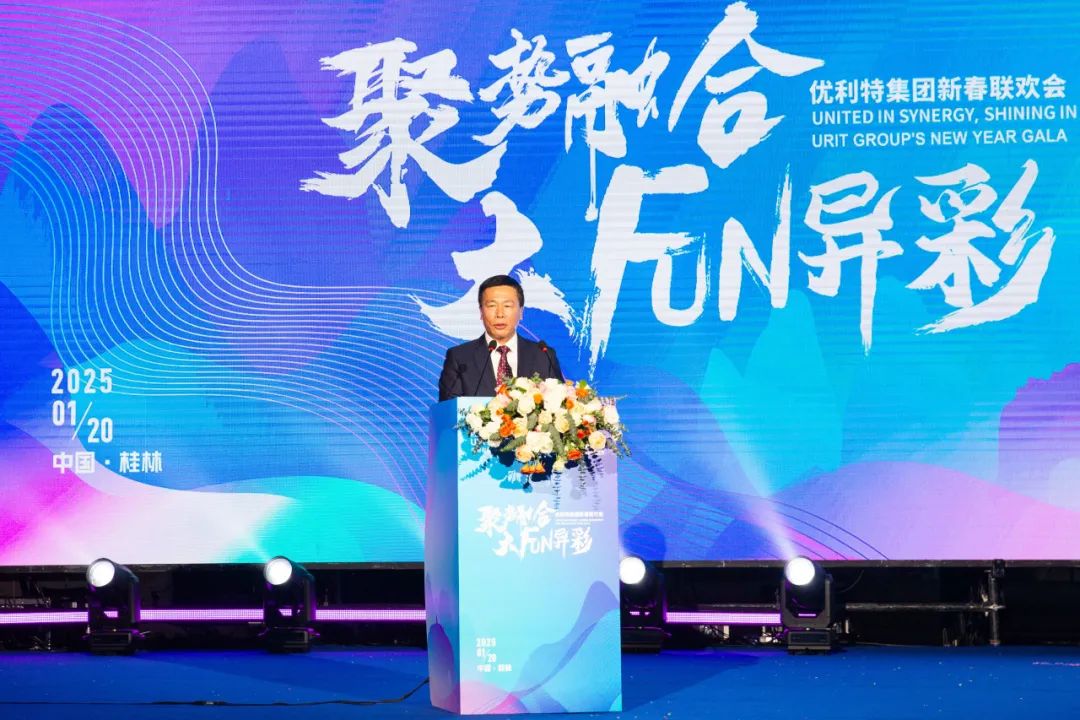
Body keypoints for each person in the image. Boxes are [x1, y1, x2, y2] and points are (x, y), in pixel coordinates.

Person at [438, 275, 564, 400]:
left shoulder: (544, 356)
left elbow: (561, 405)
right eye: (492, 306)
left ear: (521, 312)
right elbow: (448, 409)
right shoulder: (460, 358)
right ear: (481, 312)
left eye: (507, 306)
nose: (500, 314)